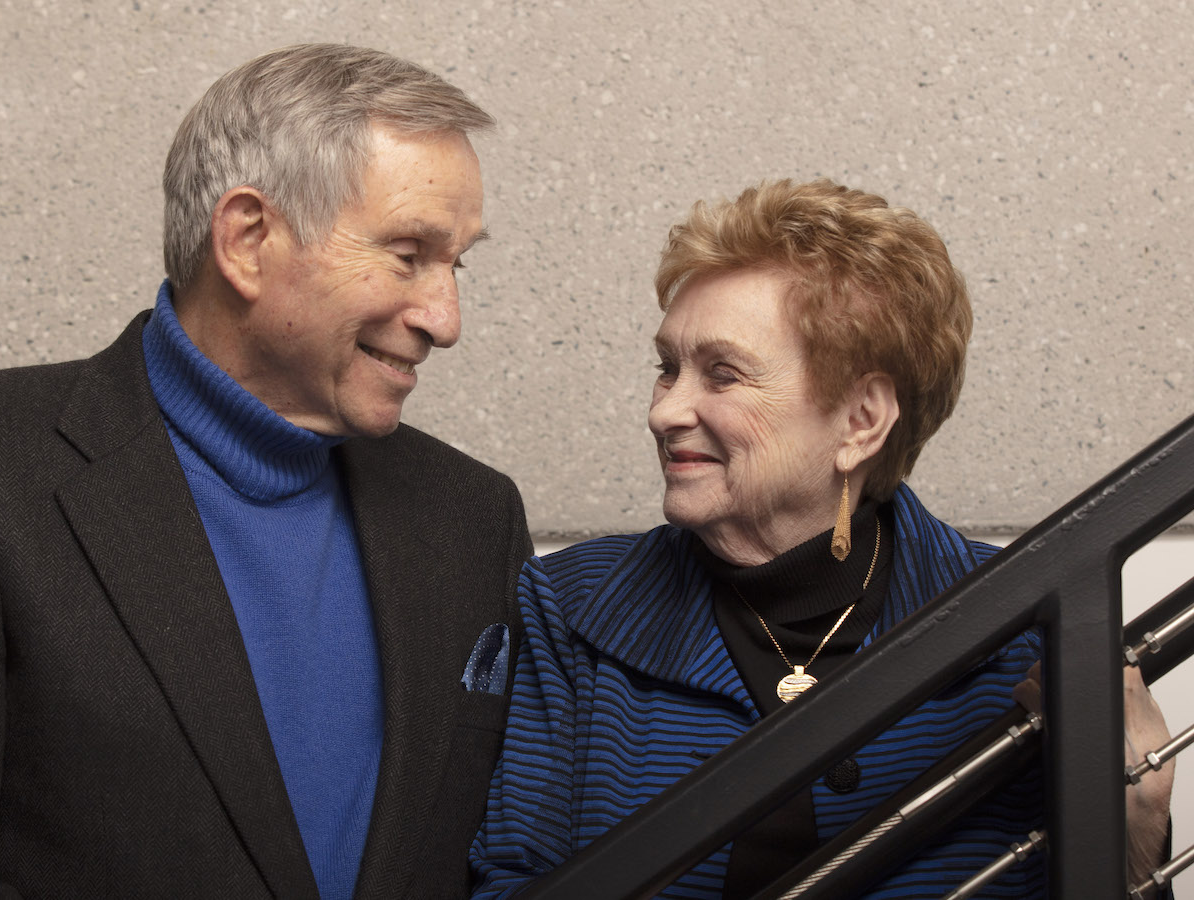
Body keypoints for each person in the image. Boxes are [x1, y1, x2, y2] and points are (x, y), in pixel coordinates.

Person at [0, 44, 531, 899]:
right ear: (247, 240)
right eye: (408, 254)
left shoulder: (473, 515)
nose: (446, 318)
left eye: (458, 264)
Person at [470, 179, 1173, 898]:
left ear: (861, 420)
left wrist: (1136, 840)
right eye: (667, 368)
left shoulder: (1027, 634)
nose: (666, 411)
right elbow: (509, 882)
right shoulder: (572, 605)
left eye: (723, 374)